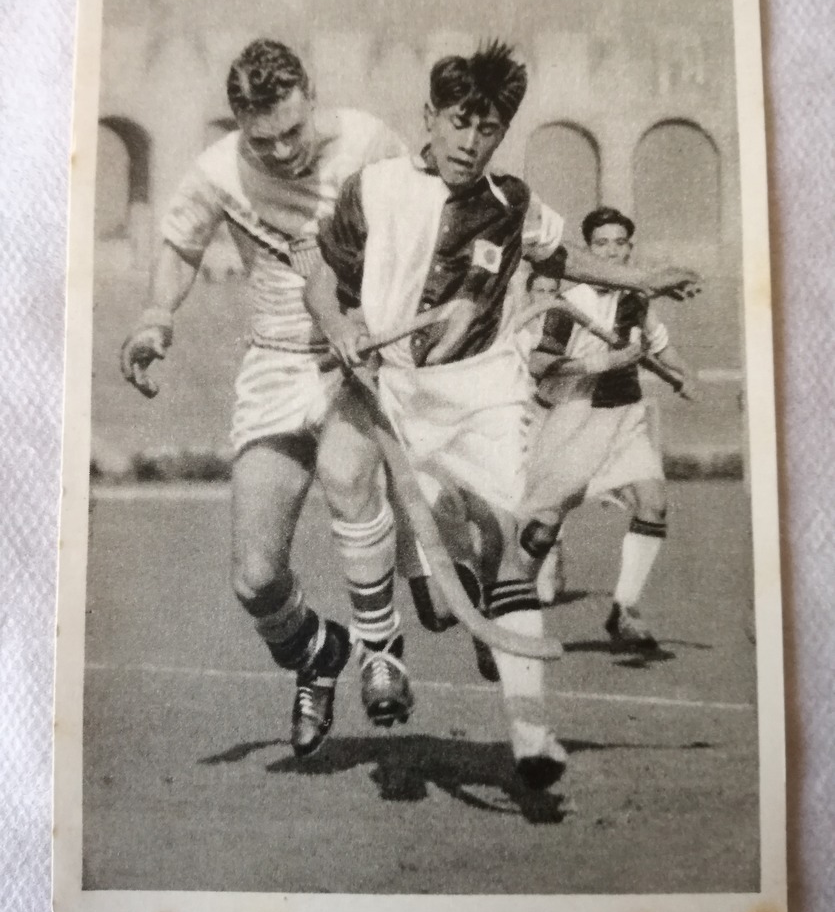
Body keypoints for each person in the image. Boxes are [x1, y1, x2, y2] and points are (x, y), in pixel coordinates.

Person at [304, 41, 700, 788]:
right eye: (458, 123)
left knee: (515, 544)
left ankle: (531, 735)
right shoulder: (373, 188)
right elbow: (322, 281)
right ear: (429, 116)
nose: (469, 142)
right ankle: (424, 621)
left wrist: (645, 275)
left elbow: (563, 260)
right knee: (433, 595)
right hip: (397, 394)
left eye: (487, 130)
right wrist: (338, 324)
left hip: (483, 392)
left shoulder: (510, 201)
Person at [120, 38, 406, 758]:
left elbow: (423, 229)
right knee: (254, 578)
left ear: (312, 93)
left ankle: (381, 650)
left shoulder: (370, 140)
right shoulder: (219, 171)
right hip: (276, 366)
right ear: (239, 124)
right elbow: (181, 244)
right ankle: (318, 654)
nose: (281, 153)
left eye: (292, 132)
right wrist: (157, 318)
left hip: (358, 357)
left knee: (347, 474)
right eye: (263, 140)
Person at [521, 206, 697, 649]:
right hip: (577, 418)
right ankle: (506, 603)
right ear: (589, 250)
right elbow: (541, 365)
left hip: (626, 417)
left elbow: (658, 344)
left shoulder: (637, 299)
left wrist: (684, 375)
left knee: (653, 503)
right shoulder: (568, 303)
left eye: (620, 243)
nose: (612, 251)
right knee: (544, 525)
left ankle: (625, 609)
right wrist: (603, 362)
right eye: (602, 244)